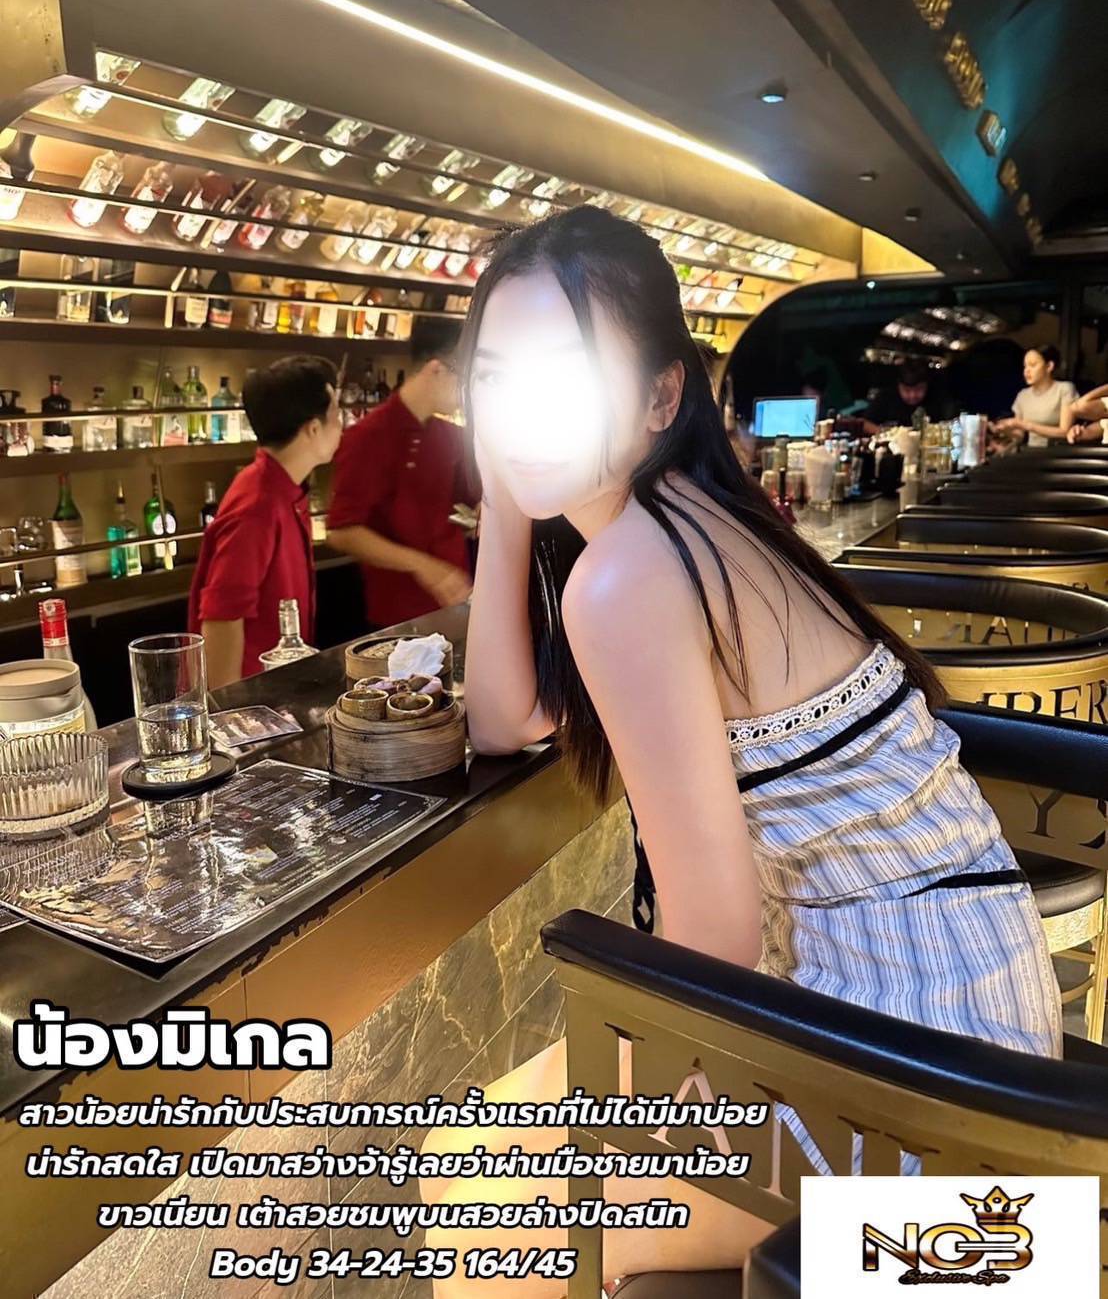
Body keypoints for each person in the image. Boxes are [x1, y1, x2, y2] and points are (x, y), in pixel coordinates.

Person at [417, 207, 1063, 1296]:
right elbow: (501, 717)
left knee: (486, 1219)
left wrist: (615, 1120)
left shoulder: (630, 572)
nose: (522, 411)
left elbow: (712, 937)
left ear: (661, 395)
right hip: (957, 1022)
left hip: (927, 1103)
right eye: (495, 380)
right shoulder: (684, 520)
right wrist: (509, 495)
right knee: (471, 1153)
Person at [188, 356, 342, 688]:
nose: (341, 424)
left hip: (277, 688)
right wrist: (229, 707)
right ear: (313, 429)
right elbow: (222, 616)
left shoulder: (281, 488)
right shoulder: (257, 505)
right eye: (336, 413)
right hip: (255, 701)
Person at [326, 314, 479, 626]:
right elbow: (342, 531)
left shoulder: (448, 434)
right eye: (465, 379)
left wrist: (482, 512)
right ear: (436, 369)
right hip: (399, 616)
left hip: (456, 601)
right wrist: (422, 565)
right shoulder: (368, 437)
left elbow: (467, 502)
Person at [992, 345, 1077, 447]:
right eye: (1025, 366)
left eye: (1032, 365)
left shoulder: (1064, 389)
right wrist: (1002, 429)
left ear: (1049, 366)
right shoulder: (1023, 395)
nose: (1027, 371)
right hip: (1032, 451)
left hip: (1057, 451)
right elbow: (1020, 435)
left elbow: (1064, 431)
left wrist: (1026, 425)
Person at [860, 358, 943, 432]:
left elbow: (943, 425)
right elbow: (865, 423)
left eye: (919, 389)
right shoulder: (886, 397)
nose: (912, 395)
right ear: (899, 385)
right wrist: (886, 434)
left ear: (927, 385)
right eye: (907, 390)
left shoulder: (935, 397)